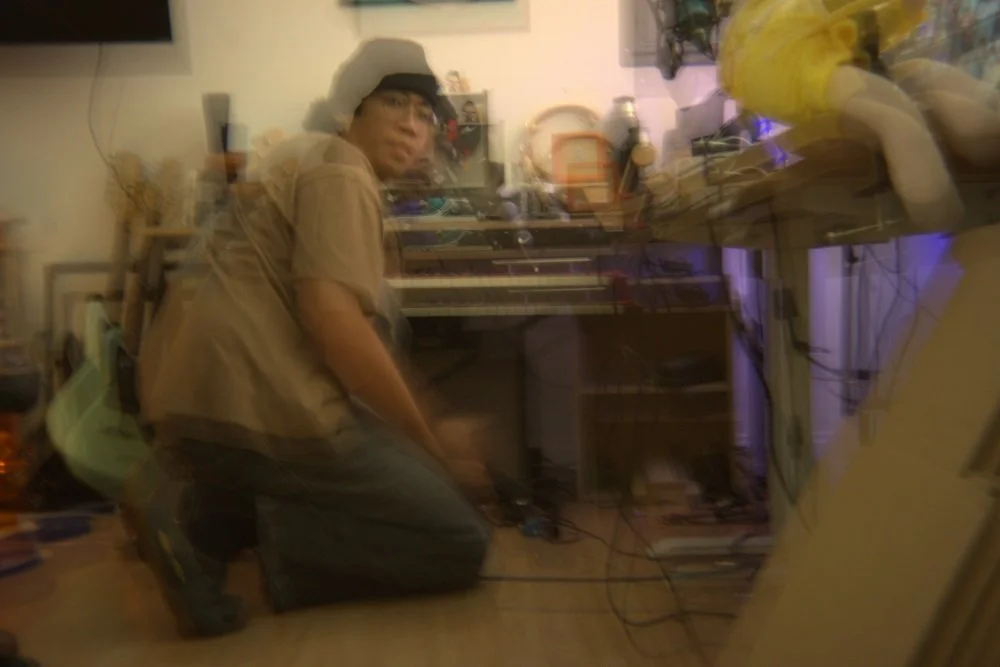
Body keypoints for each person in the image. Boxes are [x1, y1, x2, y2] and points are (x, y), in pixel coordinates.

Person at [127, 38, 494, 638]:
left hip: (197, 400)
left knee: (406, 471)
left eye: (424, 113)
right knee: (458, 539)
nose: (411, 124)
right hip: (265, 409)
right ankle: (218, 534)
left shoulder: (301, 154)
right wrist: (432, 443)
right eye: (394, 102)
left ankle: (213, 515)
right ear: (350, 109)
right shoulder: (343, 169)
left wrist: (419, 433)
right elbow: (336, 324)